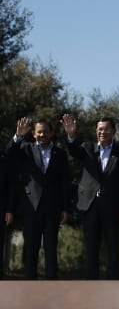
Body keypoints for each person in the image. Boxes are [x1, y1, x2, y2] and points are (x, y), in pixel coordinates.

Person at [63, 114, 119, 279]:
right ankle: (91, 285)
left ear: (113, 131)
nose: (103, 132)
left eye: (107, 129)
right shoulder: (87, 148)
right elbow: (73, 151)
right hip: (90, 206)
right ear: (96, 131)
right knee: (90, 248)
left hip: (113, 207)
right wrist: (71, 136)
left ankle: (113, 284)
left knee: (113, 248)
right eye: (100, 129)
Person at [5, 118, 71, 279]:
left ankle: (51, 285)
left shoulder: (60, 153)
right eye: (39, 131)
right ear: (33, 134)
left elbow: (65, 182)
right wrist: (17, 137)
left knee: (50, 248)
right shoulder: (26, 149)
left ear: (51, 133)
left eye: (46, 131)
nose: (42, 134)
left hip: (52, 208)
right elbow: (9, 153)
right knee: (30, 249)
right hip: (31, 206)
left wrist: (66, 208)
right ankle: (29, 286)